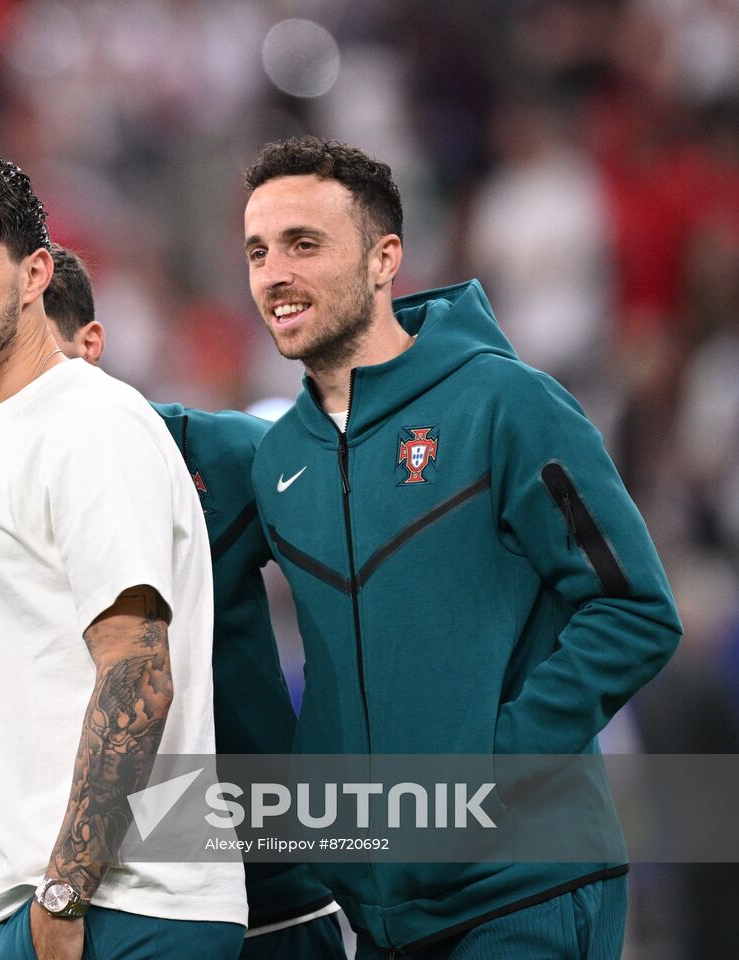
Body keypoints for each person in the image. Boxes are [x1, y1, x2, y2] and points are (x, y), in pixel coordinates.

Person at [0, 245, 347, 959]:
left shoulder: (211, 450)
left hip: (264, 888)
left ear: (89, 347)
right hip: (74, 885)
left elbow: (359, 546)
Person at [242, 135, 682, 958]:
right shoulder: (279, 460)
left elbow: (634, 609)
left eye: (305, 244)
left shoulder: (506, 402)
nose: (274, 274)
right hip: (379, 918)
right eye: (258, 252)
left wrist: (494, 773)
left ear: (385, 259)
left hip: (524, 890)